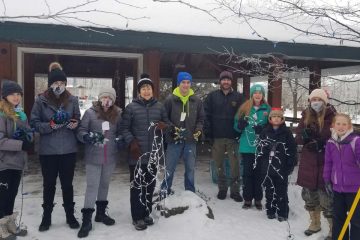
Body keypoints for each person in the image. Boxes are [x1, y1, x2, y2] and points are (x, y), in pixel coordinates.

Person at [30, 62, 81, 232]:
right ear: (50, 84)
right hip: (48, 151)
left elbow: (77, 118)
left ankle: (70, 215)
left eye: (62, 83)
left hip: (68, 150)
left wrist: (75, 124)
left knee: (68, 184)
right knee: (49, 184)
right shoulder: (41, 101)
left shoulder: (73, 100)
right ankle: (46, 217)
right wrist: (50, 125)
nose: (59, 86)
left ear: (65, 84)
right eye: (55, 83)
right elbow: (34, 123)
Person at [120, 74, 170, 231]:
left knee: (149, 185)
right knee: (137, 187)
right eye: (143, 88)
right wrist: (132, 142)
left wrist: (164, 126)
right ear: (139, 91)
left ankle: (146, 212)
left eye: (149, 88)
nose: (147, 91)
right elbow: (123, 128)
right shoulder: (131, 108)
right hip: (136, 154)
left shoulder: (160, 107)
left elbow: (167, 124)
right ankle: (137, 217)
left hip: (153, 154)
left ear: (153, 90)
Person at [76, 87, 121, 238]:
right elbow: (81, 131)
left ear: (113, 100)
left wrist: (120, 140)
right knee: (92, 186)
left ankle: (101, 213)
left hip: (110, 156)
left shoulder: (118, 113)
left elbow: (121, 131)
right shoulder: (90, 113)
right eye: (104, 97)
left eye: (110, 98)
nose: (107, 100)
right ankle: (87, 219)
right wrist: (87, 137)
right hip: (93, 156)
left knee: (104, 184)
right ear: (100, 98)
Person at [295, 88, 336, 238]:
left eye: (319, 100)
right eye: (313, 100)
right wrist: (304, 138)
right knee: (309, 196)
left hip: (326, 164)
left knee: (327, 200)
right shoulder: (305, 116)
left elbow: (340, 137)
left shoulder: (333, 117)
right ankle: (315, 223)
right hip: (308, 163)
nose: (316, 102)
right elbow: (298, 136)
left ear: (325, 101)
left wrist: (323, 143)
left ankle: (333, 229)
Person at [161, 71, 205, 195]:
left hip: (190, 140)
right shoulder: (170, 100)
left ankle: (190, 193)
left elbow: (201, 118)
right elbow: (164, 118)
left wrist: (198, 129)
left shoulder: (196, 101)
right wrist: (172, 129)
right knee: (169, 168)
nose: (186, 85)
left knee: (190, 169)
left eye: (188, 82)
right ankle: (164, 191)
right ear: (179, 83)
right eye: (183, 82)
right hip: (174, 140)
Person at [204, 70, 244, 201]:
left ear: (231, 82)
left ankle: (235, 190)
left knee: (235, 165)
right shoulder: (212, 96)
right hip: (217, 136)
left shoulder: (238, 97)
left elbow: (243, 116)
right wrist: (208, 133)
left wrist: (240, 132)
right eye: (223, 79)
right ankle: (222, 188)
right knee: (219, 164)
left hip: (233, 137)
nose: (225, 81)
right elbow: (206, 116)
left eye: (228, 79)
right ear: (220, 81)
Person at [0, 80, 32, 240]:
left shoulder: (20, 114)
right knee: (2, 196)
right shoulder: (1, 114)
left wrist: (31, 138)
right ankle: (1, 227)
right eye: (13, 94)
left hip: (17, 162)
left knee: (11, 195)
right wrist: (21, 144)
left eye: (18, 94)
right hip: (4, 163)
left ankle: (10, 222)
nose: (16, 97)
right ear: (5, 95)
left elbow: (25, 133)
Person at [234, 84, 271, 210]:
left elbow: (273, 125)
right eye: (255, 92)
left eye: (260, 93)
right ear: (251, 94)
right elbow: (235, 126)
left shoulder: (267, 109)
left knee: (259, 174)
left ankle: (258, 199)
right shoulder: (244, 108)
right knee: (247, 174)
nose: (257, 95)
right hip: (247, 146)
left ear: (263, 95)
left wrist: (264, 129)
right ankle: (248, 198)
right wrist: (240, 125)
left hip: (260, 148)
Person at [256, 108, 297, 222]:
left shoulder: (287, 132)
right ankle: (270, 210)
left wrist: (290, 162)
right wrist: (265, 149)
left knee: (281, 191)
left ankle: (282, 212)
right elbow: (259, 146)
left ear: (282, 119)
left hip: (281, 167)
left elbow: (292, 148)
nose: (276, 119)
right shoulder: (265, 131)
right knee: (269, 190)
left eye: (279, 117)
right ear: (270, 119)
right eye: (274, 116)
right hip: (268, 167)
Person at [324, 113, 360, 240]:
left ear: (349, 126)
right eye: (338, 123)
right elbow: (328, 163)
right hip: (337, 188)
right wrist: (327, 180)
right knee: (338, 219)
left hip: (355, 189)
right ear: (333, 125)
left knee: (356, 220)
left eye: (344, 124)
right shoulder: (330, 142)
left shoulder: (355, 141)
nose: (341, 126)